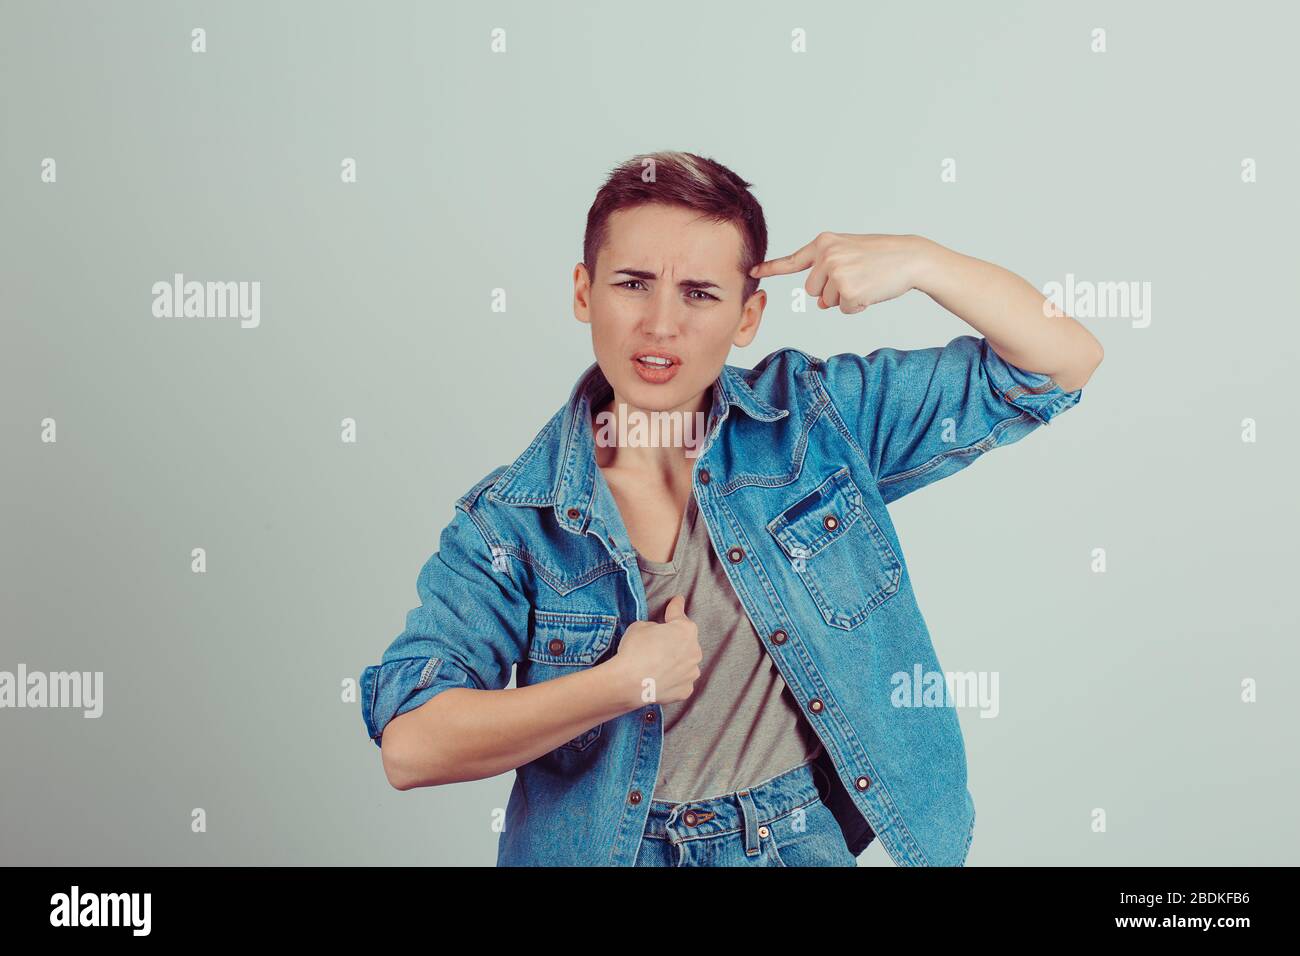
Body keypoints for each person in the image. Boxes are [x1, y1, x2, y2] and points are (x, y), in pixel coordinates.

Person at [358, 150, 1103, 867]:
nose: (660, 324)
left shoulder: (814, 424)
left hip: (789, 843)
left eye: (699, 293)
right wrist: (615, 685)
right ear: (583, 291)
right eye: (632, 283)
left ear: (748, 317)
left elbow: (1061, 362)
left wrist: (921, 261)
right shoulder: (515, 519)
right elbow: (412, 745)